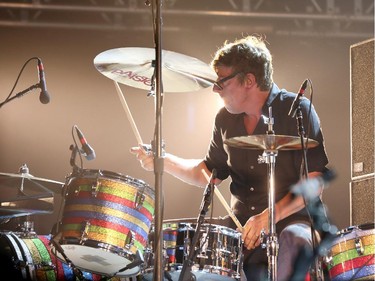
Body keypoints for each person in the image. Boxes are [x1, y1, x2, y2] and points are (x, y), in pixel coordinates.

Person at [130, 35, 329, 281]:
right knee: (166, 240)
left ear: (249, 80)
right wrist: (164, 161)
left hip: (291, 220)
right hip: (240, 225)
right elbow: (209, 172)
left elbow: (316, 180)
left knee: (293, 240)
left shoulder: (297, 110)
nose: (214, 88)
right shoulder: (225, 119)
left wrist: (268, 216)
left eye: (221, 81)